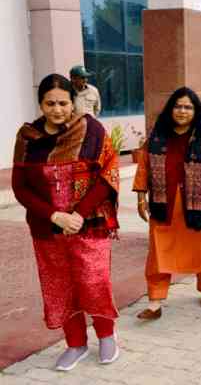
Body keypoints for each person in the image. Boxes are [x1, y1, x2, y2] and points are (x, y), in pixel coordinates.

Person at [12, 74, 120, 371]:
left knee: (93, 280)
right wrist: (54, 215)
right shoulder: (27, 137)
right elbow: (20, 187)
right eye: (50, 103)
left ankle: (107, 336)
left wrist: (78, 214)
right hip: (47, 228)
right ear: (40, 104)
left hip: (89, 223)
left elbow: (107, 175)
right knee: (60, 286)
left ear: (72, 102)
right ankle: (76, 344)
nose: (57, 110)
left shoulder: (91, 130)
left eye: (63, 103)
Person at [133, 88, 201, 320]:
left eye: (188, 107)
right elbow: (143, 166)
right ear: (170, 109)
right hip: (164, 204)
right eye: (178, 106)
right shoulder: (156, 137)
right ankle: (155, 302)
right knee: (157, 253)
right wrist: (141, 196)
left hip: (198, 205)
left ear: (195, 112)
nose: (182, 111)